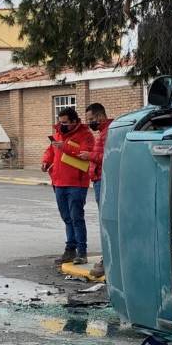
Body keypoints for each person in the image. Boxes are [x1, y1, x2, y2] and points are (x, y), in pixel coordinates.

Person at [41, 107, 94, 265]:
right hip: (59, 182)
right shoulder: (58, 134)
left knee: (76, 217)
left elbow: (85, 153)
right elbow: (50, 150)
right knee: (67, 218)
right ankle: (70, 249)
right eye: (60, 122)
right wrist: (45, 161)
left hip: (76, 183)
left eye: (65, 122)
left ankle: (82, 252)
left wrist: (64, 146)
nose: (62, 125)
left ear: (74, 121)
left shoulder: (85, 135)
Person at [78, 103, 112, 276]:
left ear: (100, 117)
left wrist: (89, 156)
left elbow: (108, 157)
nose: (90, 123)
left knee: (106, 221)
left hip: (102, 180)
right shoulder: (102, 133)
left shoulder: (108, 133)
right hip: (98, 179)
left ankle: (107, 259)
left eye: (91, 119)